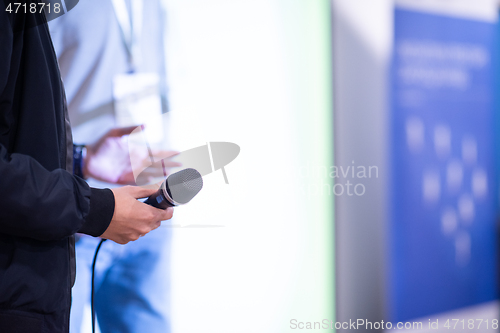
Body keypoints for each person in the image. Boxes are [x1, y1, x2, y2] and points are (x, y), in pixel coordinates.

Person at [0, 4, 174, 333]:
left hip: (141, 195)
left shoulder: (154, 6)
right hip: (70, 210)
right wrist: (80, 196)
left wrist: (86, 157)